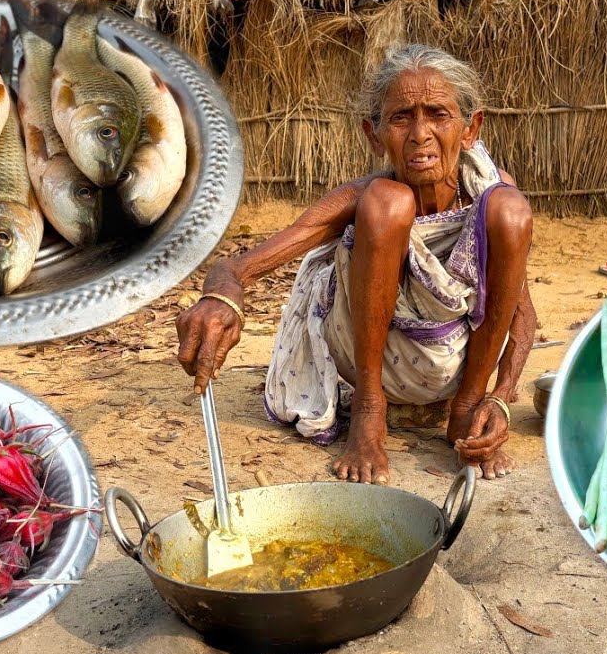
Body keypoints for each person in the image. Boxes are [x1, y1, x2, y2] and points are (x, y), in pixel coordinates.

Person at [176, 43, 535, 483]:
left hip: (460, 369)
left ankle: (465, 407)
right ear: (374, 134)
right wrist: (221, 297)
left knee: (511, 207)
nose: (420, 133)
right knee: (388, 203)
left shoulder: (492, 200)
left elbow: (520, 312)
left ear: (469, 128)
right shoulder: (365, 197)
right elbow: (237, 267)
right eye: (402, 117)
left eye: (437, 114)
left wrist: (499, 395)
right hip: (376, 364)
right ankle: (369, 410)